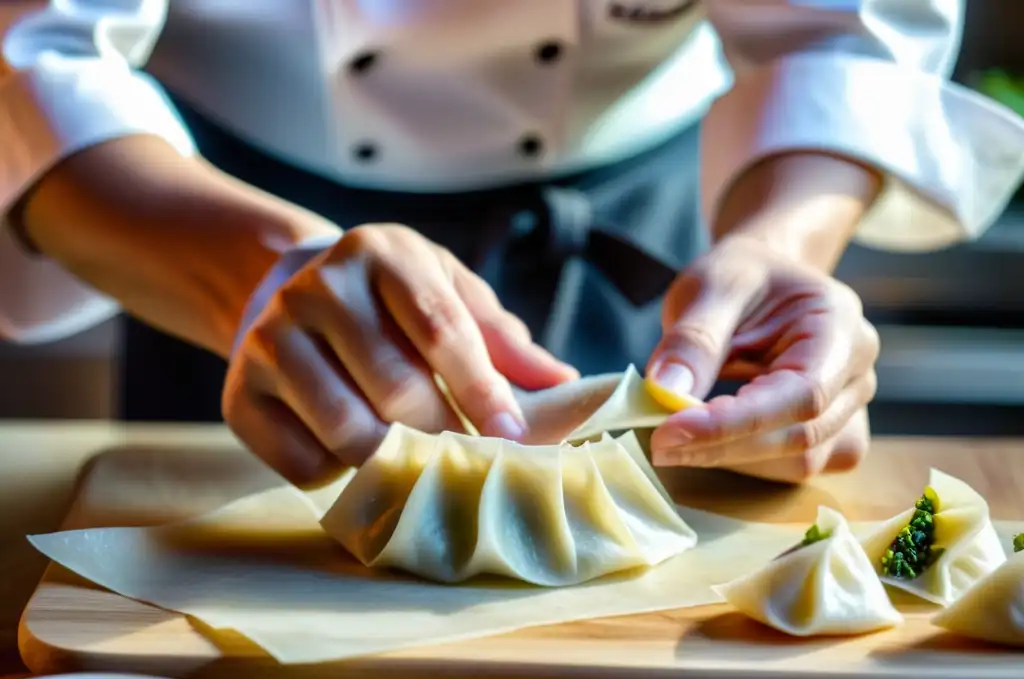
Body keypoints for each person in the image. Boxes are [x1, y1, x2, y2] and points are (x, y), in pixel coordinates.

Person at [1, 1, 1022, 489]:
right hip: (208, 222)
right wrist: (260, 274)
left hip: (645, 230)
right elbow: (30, 55)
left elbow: (835, 36)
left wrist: (781, 245)